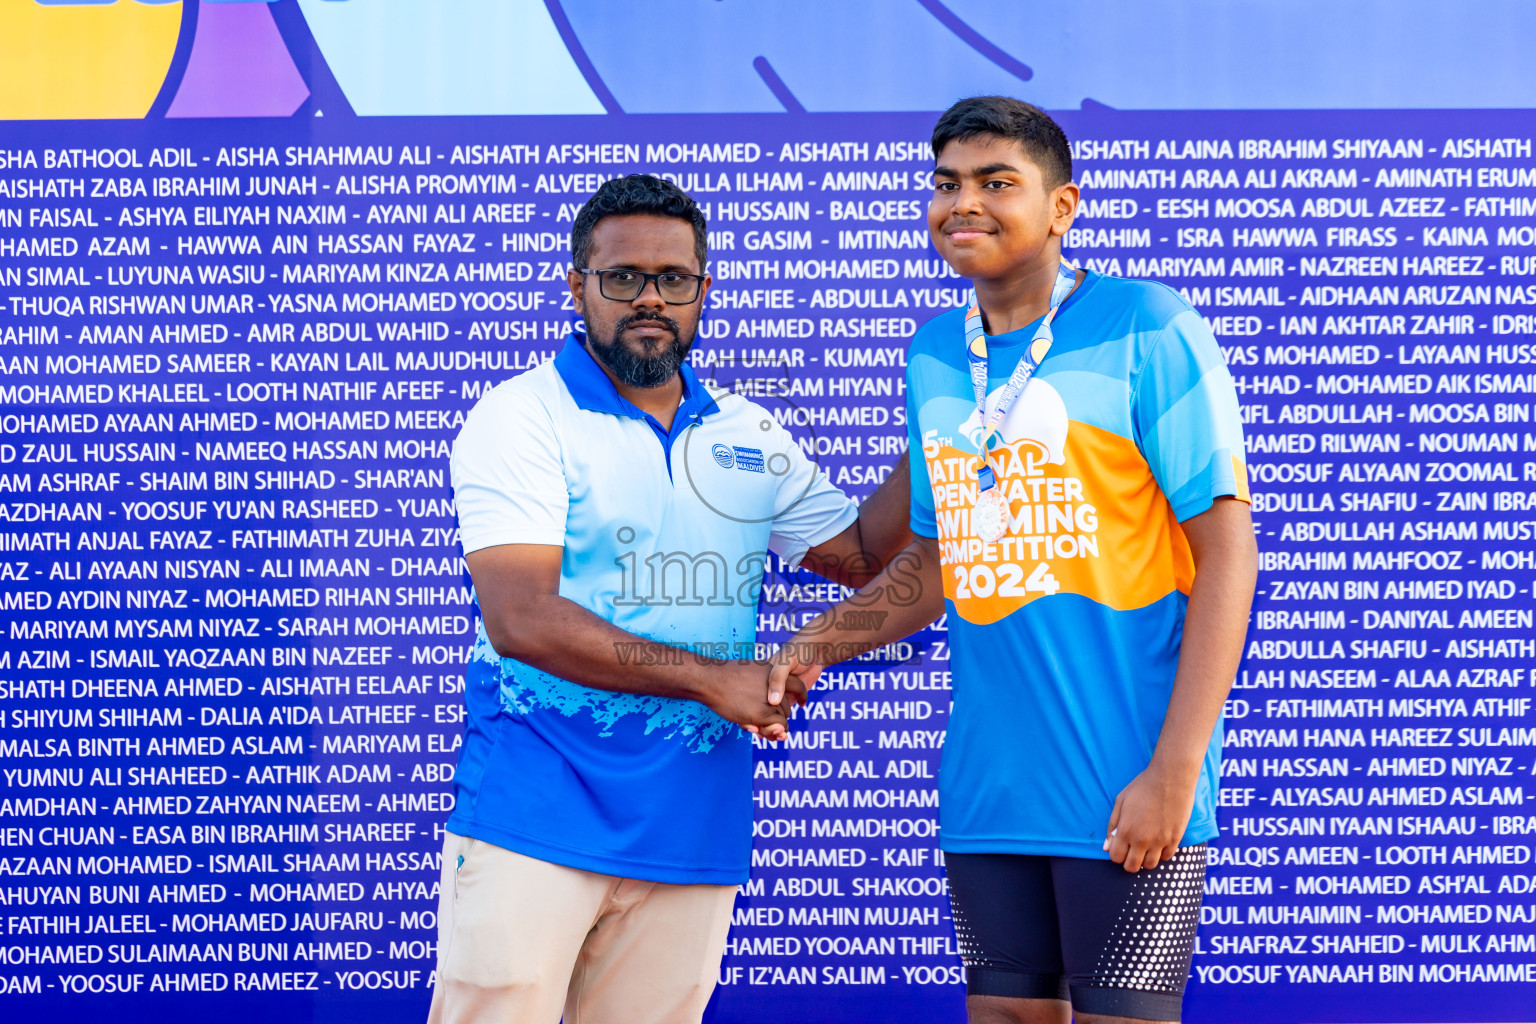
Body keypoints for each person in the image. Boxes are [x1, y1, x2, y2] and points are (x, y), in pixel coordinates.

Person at [768, 97, 1258, 1024]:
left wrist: (1176, 769)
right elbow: (937, 559)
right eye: (947, 184)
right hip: (991, 782)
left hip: (1127, 776)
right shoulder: (933, 353)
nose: (966, 205)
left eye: (999, 183)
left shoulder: (1147, 325)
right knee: (1005, 1017)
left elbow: (1228, 552)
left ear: (1062, 206)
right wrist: (813, 646)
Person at [427, 174, 911, 1024]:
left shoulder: (748, 434)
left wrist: (941, 425)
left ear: (702, 290)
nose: (650, 299)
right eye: (623, 278)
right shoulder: (521, 416)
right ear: (577, 286)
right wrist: (711, 681)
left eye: (674, 279)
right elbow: (522, 620)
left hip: (692, 824)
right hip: (533, 811)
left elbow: (864, 557)